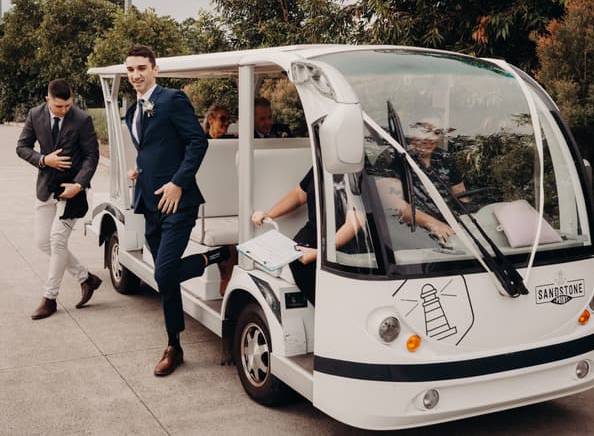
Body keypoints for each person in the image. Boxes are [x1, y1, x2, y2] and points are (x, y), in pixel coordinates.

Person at [124, 44, 232, 376]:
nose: (136, 75)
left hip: (178, 202)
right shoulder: (132, 111)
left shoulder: (172, 100)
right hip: (149, 203)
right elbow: (151, 150)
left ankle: (217, 256)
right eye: (130, 70)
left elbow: (197, 142)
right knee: (166, 279)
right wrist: (140, 172)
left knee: (163, 273)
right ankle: (175, 345)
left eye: (141, 68)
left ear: (155, 69)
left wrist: (178, 182)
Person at [16, 78, 102, 320]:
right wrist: (44, 160)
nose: (64, 110)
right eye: (58, 106)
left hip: (72, 192)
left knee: (56, 241)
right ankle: (86, 278)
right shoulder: (35, 115)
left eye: (68, 106)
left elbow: (91, 156)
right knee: (42, 242)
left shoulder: (82, 119)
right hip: (45, 189)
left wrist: (79, 184)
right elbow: (22, 147)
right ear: (48, 99)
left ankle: (50, 298)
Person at [251, 168, 364, 305]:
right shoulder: (320, 164)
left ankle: (332, 313)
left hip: (347, 242)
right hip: (315, 233)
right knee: (297, 259)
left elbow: (354, 221)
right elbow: (298, 195)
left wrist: (322, 251)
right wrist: (269, 215)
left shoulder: (358, 172)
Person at [377, 119, 469, 243]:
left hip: (450, 231)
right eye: (425, 131)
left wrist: (468, 221)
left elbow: (462, 196)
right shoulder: (393, 159)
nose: (430, 138)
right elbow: (393, 204)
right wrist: (434, 224)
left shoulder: (445, 158)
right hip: (411, 233)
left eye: (436, 133)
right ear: (411, 132)